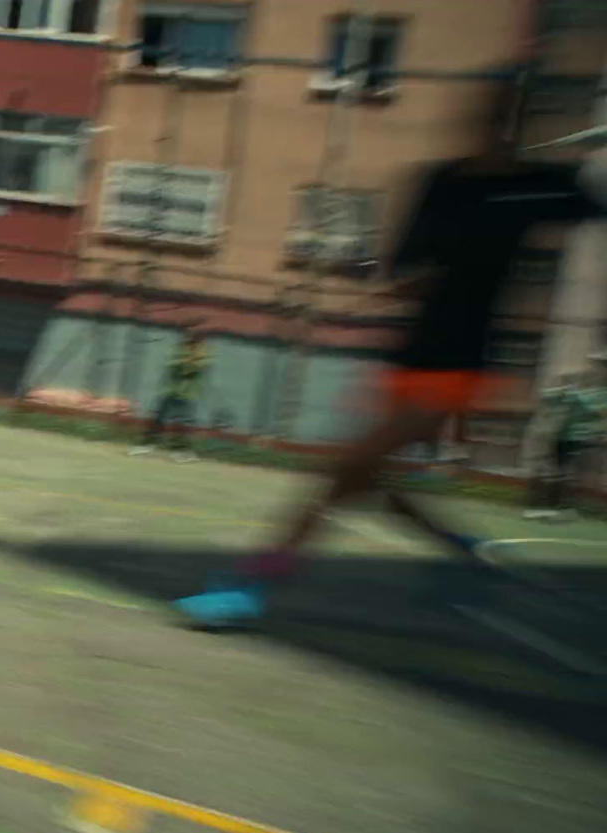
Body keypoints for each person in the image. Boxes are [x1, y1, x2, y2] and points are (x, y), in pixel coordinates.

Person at [173, 77, 607, 628]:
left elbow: (594, 202)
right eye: (483, 113)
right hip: (409, 359)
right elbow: (402, 268)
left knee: (345, 472)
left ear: (520, 124)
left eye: (504, 116)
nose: (491, 126)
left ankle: (251, 587)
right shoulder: (441, 183)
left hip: (462, 364)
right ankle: (464, 550)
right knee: (369, 482)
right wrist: (402, 279)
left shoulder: (538, 186)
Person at [524, 368, 606, 522]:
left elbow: (592, 412)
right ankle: (542, 507)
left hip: (566, 438)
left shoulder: (575, 398)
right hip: (557, 438)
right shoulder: (565, 396)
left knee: (560, 474)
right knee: (551, 473)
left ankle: (552, 508)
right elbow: (547, 397)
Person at [129, 326, 210, 462]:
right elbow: (175, 364)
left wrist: (190, 362)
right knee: (159, 418)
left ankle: (181, 451)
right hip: (172, 390)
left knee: (182, 423)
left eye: (193, 335)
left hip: (188, 394)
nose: (189, 337)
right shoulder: (180, 349)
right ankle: (147, 445)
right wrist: (188, 362)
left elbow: (199, 367)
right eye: (188, 334)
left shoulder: (203, 351)